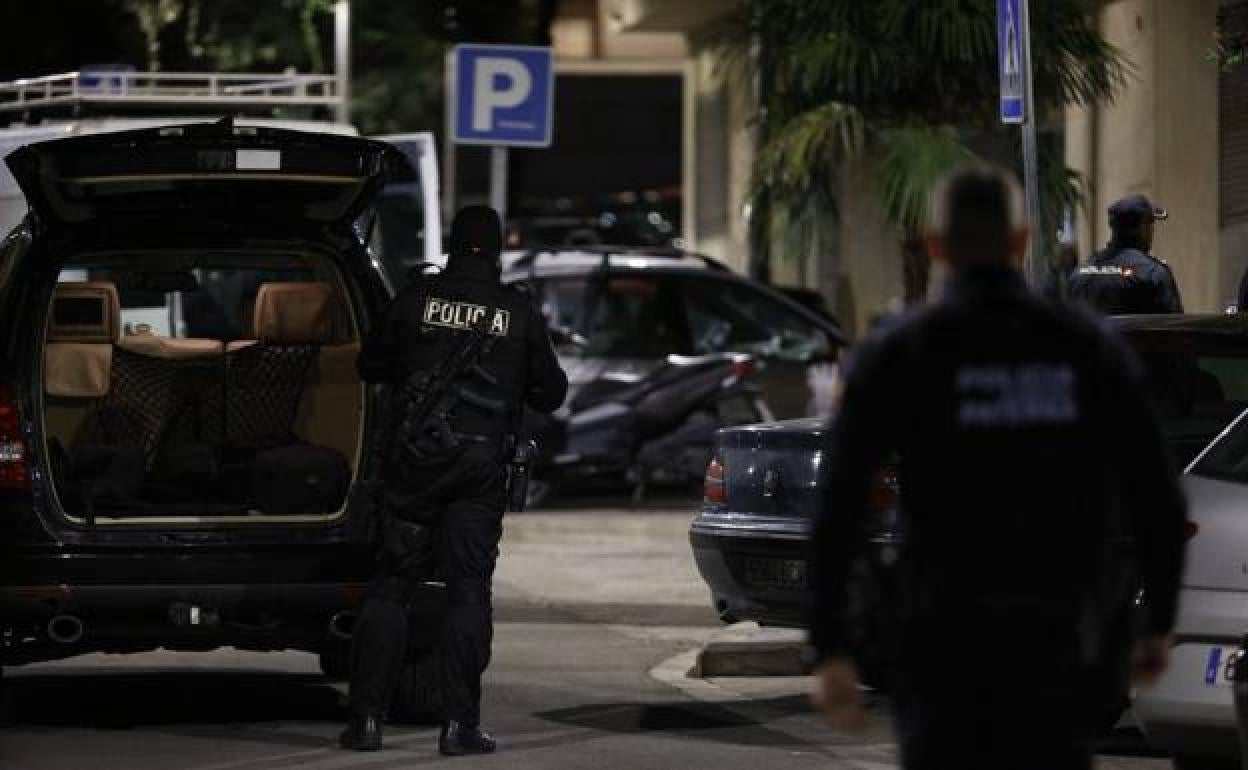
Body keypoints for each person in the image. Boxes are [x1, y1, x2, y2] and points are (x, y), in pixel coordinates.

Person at [809, 166, 1188, 770]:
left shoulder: (900, 352)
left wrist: (832, 647)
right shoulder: (1085, 347)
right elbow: (1155, 495)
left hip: (940, 644)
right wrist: (1156, 621)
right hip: (1058, 641)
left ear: (936, 246)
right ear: (1020, 241)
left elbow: (838, 506)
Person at [340, 205, 568, 756]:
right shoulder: (517, 311)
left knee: (392, 586)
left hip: (413, 466)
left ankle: (366, 720)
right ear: (496, 250)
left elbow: (370, 364)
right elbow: (551, 394)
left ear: (453, 245)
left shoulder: (418, 299)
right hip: (478, 470)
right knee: (468, 592)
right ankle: (458, 726)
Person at [1067, 194, 1183, 314]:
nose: (1153, 230)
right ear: (1143, 228)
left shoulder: (1079, 273)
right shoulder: (1153, 274)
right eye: (1151, 223)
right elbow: (1175, 323)